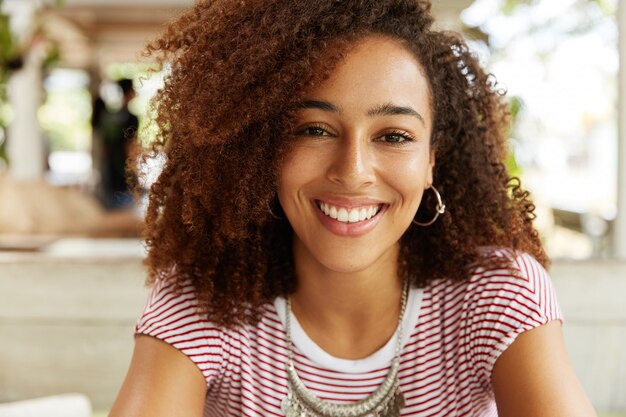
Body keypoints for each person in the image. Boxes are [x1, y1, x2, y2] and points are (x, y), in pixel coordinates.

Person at [110, 1, 597, 416]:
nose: (354, 170)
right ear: (260, 148)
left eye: (393, 136)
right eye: (314, 129)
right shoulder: (202, 298)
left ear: (431, 161)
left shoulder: (497, 293)